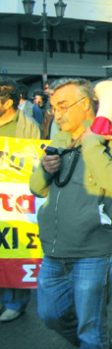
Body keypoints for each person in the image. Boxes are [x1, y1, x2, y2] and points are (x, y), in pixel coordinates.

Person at [29, 78, 112, 349]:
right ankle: (99, 344)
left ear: (85, 104)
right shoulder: (58, 137)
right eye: (53, 108)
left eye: (63, 107)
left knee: (90, 325)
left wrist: (92, 145)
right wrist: (44, 171)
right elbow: (37, 188)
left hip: (92, 252)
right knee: (49, 314)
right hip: (54, 250)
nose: (56, 114)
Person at [0, 79, 41, 323]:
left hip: (14, 199)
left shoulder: (28, 127)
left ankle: (15, 302)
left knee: (12, 247)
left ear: (9, 103)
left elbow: (33, 161)